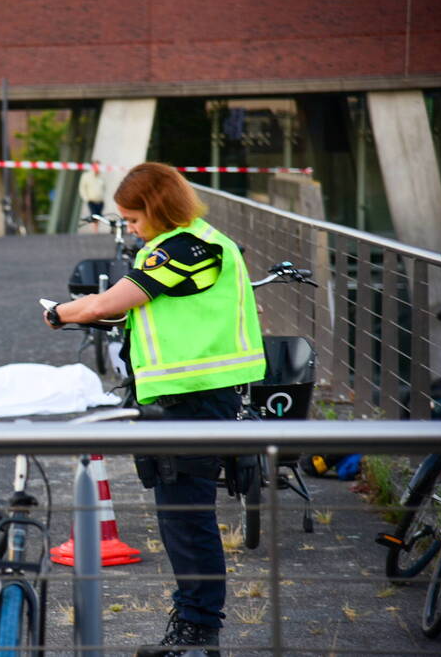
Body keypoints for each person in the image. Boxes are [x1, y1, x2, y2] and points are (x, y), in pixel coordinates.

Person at [43, 162, 266, 657]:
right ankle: (192, 621)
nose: (132, 230)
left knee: (187, 517)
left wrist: (59, 313)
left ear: (159, 208)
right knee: (178, 515)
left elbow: (111, 303)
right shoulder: (183, 246)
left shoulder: (189, 248)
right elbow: (131, 306)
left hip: (196, 398)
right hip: (184, 396)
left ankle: (198, 629)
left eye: (135, 219)